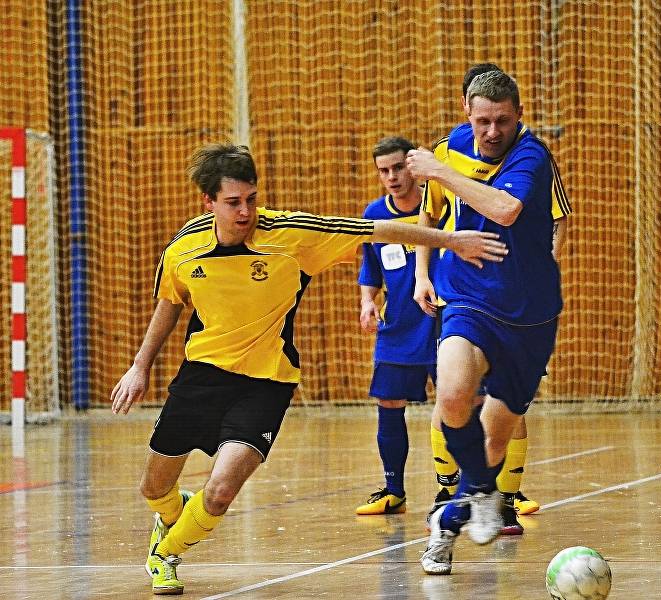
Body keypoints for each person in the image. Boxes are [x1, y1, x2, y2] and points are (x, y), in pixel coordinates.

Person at [109, 142, 508, 595]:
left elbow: (377, 229)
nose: (246, 211)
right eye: (234, 203)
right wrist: (140, 366)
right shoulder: (184, 248)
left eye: (252, 199)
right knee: (153, 488)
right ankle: (171, 514)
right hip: (202, 375)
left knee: (220, 492)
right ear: (209, 202)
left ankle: (166, 554)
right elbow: (169, 303)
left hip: (266, 381)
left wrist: (452, 240)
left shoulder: (290, 232)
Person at [408, 70, 572, 575]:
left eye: (502, 121)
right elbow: (430, 216)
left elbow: (504, 210)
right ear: (466, 112)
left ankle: (452, 516)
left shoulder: (531, 156)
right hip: (468, 297)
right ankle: (474, 497)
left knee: (495, 437)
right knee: (453, 393)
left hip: (529, 316)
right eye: (482, 121)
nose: (491, 132)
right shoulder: (452, 146)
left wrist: (439, 172)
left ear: (518, 116)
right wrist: (421, 272)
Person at [354, 136, 440, 515]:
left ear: (413, 166)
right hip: (398, 327)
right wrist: (367, 301)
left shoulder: (439, 206)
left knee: (462, 405)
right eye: (383, 171)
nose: (391, 176)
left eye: (398, 167)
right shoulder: (374, 214)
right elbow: (370, 268)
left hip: (441, 322)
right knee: (388, 402)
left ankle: (466, 489)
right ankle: (394, 490)